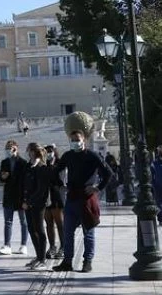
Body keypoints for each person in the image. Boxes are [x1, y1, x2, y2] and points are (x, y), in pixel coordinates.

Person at [53, 114, 113, 274]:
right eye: (72, 140)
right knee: (67, 232)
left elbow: (108, 173)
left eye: (77, 139)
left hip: (87, 199)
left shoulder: (92, 155)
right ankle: (67, 261)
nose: (75, 142)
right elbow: (55, 171)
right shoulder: (68, 155)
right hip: (72, 198)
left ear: (84, 140)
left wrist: (97, 188)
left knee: (89, 232)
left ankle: (87, 261)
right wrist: (61, 185)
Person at [20, 143, 55, 271]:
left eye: (29, 150)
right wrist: (24, 200)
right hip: (28, 203)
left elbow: (41, 190)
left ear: (34, 152)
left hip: (39, 203)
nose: (27, 152)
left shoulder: (42, 167)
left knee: (39, 229)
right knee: (31, 229)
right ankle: (38, 256)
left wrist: (29, 202)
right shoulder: (29, 166)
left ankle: (43, 259)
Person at [0, 139, 28, 255]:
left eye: (10, 148)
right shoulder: (4, 162)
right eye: (6, 148)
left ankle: (23, 245)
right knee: (8, 221)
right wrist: (3, 177)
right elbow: (1, 178)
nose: (8, 151)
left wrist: (26, 198)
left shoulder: (23, 163)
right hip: (9, 195)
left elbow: (26, 181)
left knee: (23, 221)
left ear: (15, 148)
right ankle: (7, 245)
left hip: (20, 196)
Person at [43, 144, 65, 259]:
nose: (48, 153)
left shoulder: (60, 163)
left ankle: (63, 247)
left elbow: (61, 181)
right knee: (49, 223)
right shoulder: (43, 164)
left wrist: (52, 167)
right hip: (46, 197)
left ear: (54, 152)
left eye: (50, 151)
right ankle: (52, 246)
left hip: (57, 196)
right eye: (46, 152)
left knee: (60, 223)